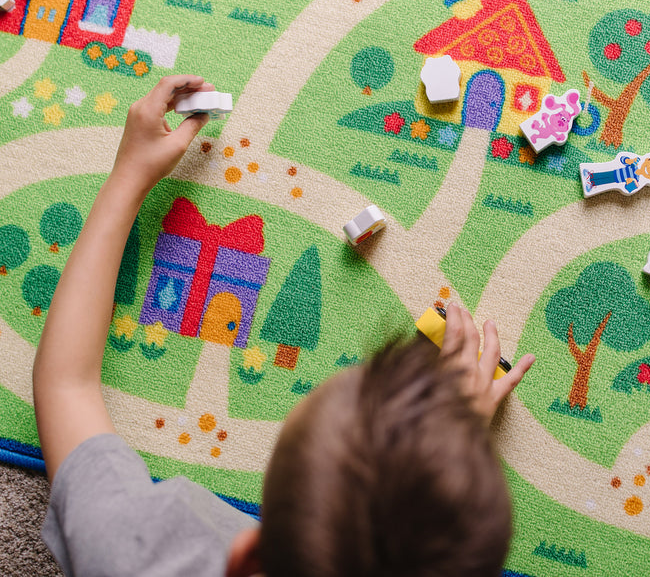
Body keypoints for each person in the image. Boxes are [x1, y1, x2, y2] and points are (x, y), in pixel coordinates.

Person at [32, 74, 536, 577]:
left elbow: (65, 384)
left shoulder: (138, 553)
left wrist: (127, 178)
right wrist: (451, 445)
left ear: (247, 558)